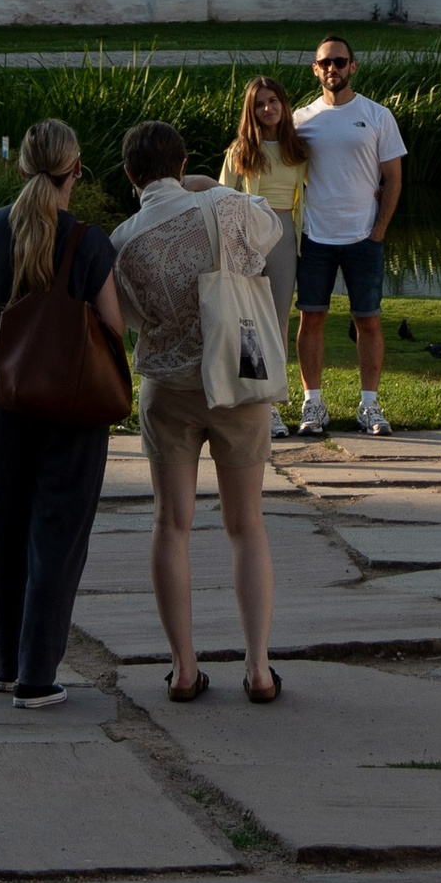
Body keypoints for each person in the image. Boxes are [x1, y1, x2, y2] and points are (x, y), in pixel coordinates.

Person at [0, 115, 126, 709]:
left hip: (2, 402)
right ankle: (36, 674)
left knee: (1, 528)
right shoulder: (89, 240)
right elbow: (113, 326)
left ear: (22, 166)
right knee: (57, 536)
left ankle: (2, 665)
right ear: (75, 169)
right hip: (73, 409)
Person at [112, 118, 286, 701]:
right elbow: (271, 232)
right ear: (183, 164)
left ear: (131, 173)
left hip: (169, 385)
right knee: (247, 525)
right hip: (240, 373)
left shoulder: (124, 241)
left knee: (171, 524)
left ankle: (184, 667)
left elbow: (134, 318)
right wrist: (211, 185)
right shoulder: (226, 206)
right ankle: (259, 668)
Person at [291, 38, 406, 439]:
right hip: (315, 237)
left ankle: (370, 405)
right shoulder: (300, 120)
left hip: (363, 238)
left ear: (353, 67)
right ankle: (313, 404)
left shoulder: (376, 115)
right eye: (325, 62)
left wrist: (379, 231)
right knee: (312, 317)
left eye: (340, 61)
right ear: (315, 68)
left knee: (368, 321)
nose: (332, 68)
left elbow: (393, 176)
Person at [220, 75, 307, 417]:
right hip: (249, 237)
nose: (268, 109)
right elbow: (223, 199)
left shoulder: (298, 149)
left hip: (286, 235)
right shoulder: (240, 151)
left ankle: (271, 400)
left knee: (277, 320)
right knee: (249, 321)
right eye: (260, 104)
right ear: (251, 111)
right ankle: (256, 401)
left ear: (284, 105)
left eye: (273, 101)